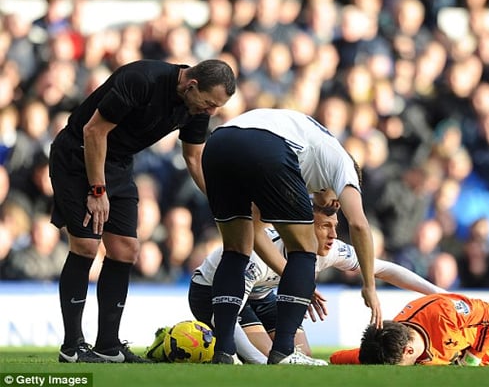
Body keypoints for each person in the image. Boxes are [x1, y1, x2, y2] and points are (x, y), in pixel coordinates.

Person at [49, 58, 236, 363]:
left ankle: (107, 346)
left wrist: (219, 202)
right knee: (85, 245)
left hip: (119, 162)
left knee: (125, 250)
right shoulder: (142, 79)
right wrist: (98, 191)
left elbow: (193, 157)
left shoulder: (196, 107)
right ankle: (72, 347)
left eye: (217, 107)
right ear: (191, 85)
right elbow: (94, 131)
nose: (211, 112)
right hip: (78, 155)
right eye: (209, 103)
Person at [201, 108, 383, 365]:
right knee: (305, 246)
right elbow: (360, 225)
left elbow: (254, 228)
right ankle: (285, 351)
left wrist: (288, 273)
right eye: (336, 201)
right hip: (265, 144)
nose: (333, 206)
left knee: (236, 249)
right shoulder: (344, 165)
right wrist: (369, 286)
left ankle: (224, 351)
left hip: (218, 143)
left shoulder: (306, 155)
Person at [186, 201, 446, 364]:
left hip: (261, 295)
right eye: (325, 226)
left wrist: (439, 293)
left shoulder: (330, 248)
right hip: (211, 292)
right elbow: (228, 318)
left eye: (335, 226)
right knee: (267, 357)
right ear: (303, 229)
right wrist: (256, 361)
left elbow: (383, 269)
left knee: (302, 357)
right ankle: (185, 343)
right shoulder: (258, 255)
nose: (333, 235)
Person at [329, 292, 489, 366]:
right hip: (460, 355)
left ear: (409, 351)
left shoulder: (444, 312)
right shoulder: (386, 348)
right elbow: (339, 357)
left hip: (487, 338)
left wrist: (474, 357)